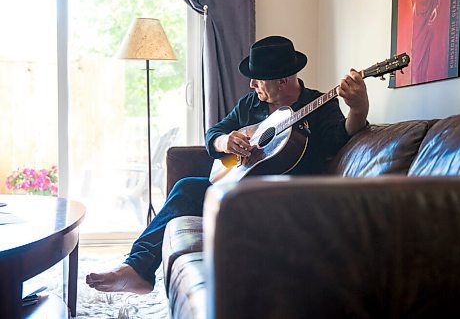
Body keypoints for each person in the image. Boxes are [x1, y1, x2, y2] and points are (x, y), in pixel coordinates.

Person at [86, 35, 369, 294]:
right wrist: (226, 142)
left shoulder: (319, 104)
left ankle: (137, 270)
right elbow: (214, 133)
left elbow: (339, 137)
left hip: (286, 198)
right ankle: (137, 269)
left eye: (258, 79)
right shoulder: (250, 105)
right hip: (239, 190)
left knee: (197, 191)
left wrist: (358, 109)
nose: (251, 84)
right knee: (187, 188)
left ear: (282, 80)